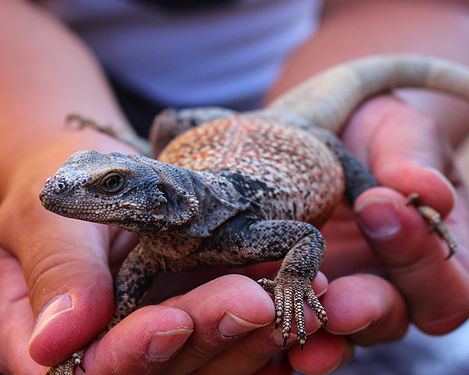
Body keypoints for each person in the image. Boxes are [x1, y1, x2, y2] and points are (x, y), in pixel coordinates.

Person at [0, 0, 468, 374]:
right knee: (169, 124)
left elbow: (305, 236)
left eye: (111, 184)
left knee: (374, 209)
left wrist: (291, 284)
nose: (64, 191)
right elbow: (120, 304)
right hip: (147, 116)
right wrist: (35, 146)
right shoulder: (150, 251)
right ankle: (138, 144)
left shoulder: (240, 233)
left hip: (291, 134)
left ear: (160, 197)